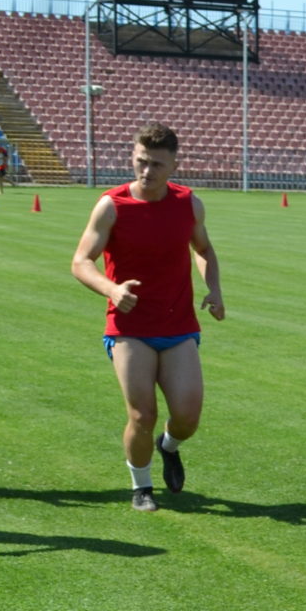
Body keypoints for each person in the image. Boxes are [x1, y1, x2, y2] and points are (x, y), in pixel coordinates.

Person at [70, 124, 224, 512]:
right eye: (141, 161)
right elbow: (81, 261)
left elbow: (203, 249)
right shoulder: (111, 205)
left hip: (178, 325)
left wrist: (214, 289)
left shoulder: (189, 203)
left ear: (174, 166)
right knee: (142, 414)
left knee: (187, 417)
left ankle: (168, 446)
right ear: (132, 158)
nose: (147, 171)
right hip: (129, 327)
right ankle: (142, 487)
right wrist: (111, 290)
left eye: (156, 164)